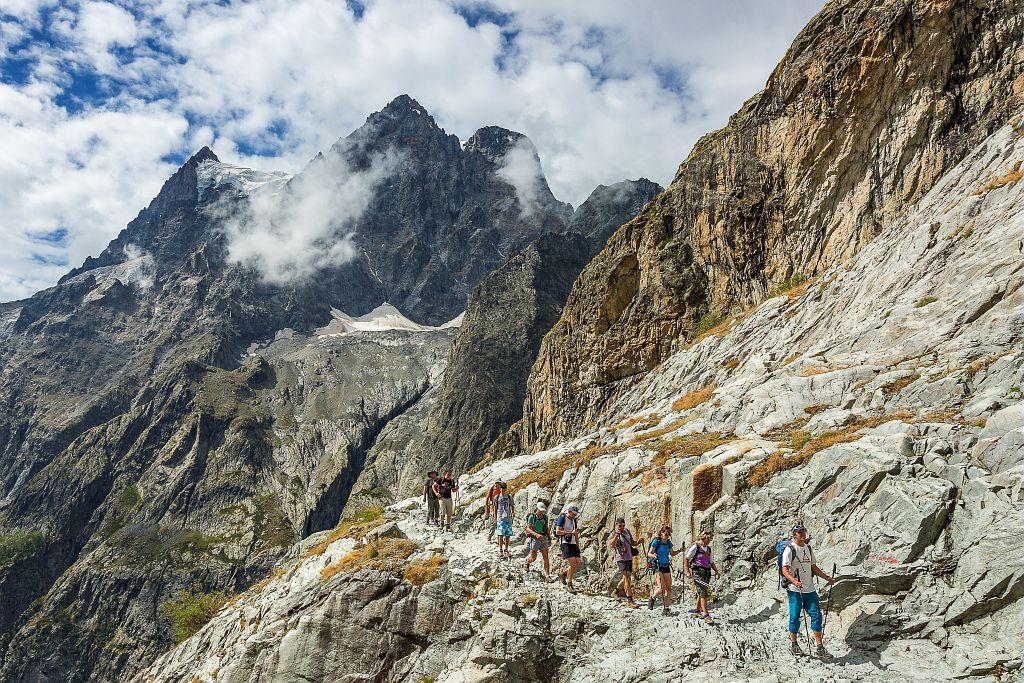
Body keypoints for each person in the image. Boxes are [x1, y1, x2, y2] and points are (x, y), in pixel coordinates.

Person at [781, 523, 835, 658]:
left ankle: (819, 647)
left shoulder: (808, 548)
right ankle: (794, 644)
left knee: (817, 616)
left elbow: (814, 567)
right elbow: (785, 570)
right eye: (800, 533)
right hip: (795, 590)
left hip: (810, 590)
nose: (803, 535)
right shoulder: (789, 550)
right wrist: (794, 581)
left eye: (804, 532)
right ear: (795, 535)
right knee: (795, 617)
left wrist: (827, 577)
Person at [684, 530, 721, 623]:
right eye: (708, 539)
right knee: (704, 593)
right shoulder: (695, 547)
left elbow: (711, 562)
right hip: (697, 572)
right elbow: (687, 559)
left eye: (710, 539)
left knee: (701, 592)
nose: (709, 541)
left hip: (707, 573)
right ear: (703, 538)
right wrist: (687, 571)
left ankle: (697, 611)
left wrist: (716, 572)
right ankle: (706, 615)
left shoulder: (708, 549)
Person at [647, 526, 682, 615]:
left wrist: (680, 550)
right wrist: (653, 555)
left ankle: (666, 609)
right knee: (662, 588)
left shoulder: (668, 543)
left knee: (669, 589)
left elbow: (672, 553)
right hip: (657, 566)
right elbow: (649, 553)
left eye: (668, 534)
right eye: (666, 534)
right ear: (661, 533)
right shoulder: (656, 541)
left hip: (666, 566)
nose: (667, 536)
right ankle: (652, 598)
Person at [608, 517, 638, 607]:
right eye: (620, 526)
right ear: (616, 525)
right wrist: (616, 536)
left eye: (623, 525)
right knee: (627, 578)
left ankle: (615, 592)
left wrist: (638, 542)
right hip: (621, 558)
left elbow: (632, 542)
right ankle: (630, 600)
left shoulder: (627, 532)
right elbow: (611, 545)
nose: (622, 527)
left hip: (629, 557)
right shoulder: (614, 533)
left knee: (627, 577)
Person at [555, 504, 582, 592]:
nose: (574, 515)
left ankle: (563, 574)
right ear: (569, 511)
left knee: (578, 563)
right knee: (573, 564)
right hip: (565, 543)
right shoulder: (562, 518)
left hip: (573, 543)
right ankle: (569, 584)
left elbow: (576, 533)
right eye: (573, 514)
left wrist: (578, 546)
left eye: (575, 514)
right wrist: (570, 532)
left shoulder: (574, 520)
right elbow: (558, 531)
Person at [523, 501, 551, 580]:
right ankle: (527, 562)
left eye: (543, 510)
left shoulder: (545, 517)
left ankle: (547, 576)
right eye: (540, 510)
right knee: (533, 558)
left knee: (546, 558)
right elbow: (527, 528)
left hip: (544, 538)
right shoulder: (532, 517)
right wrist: (536, 534)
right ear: (537, 509)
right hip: (535, 539)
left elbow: (547, 528)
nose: (542, 512)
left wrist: (549, 538)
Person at [493, 482, 515, 559]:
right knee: (500, 534)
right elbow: (495, 507)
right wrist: (495, 517)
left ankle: (506, 549)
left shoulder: (509, 497)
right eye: (502, 490)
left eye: (505, 490)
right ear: (500, 489)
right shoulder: (497, 497)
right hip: (500, 518)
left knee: (508, 534)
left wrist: (513, 512)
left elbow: (512, 505)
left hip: (508, 518)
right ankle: (500, 549)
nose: (503, 491)